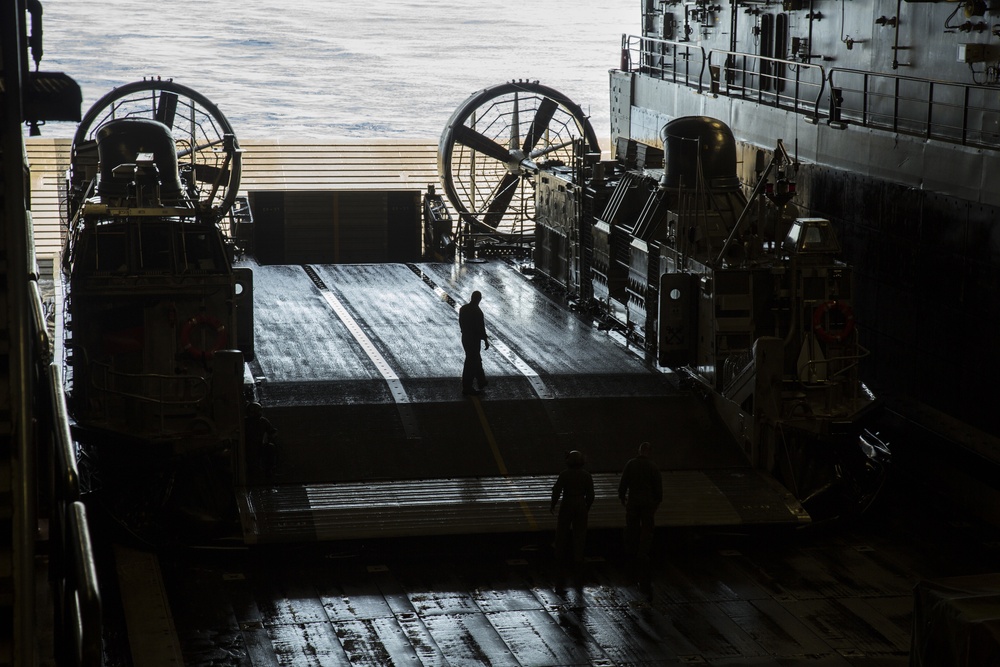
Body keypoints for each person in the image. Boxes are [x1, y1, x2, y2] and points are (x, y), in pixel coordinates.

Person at [618, 441, 662, 561]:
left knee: (632, 527)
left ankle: (630, 551)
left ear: (639, 451)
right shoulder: (653, 466)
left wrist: (622, 497)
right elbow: (658, 488)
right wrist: (657, 502)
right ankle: (642, 553)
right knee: (647, 529)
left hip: (633, 502)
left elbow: (623, 483)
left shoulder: (631, 464)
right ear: (650, 452)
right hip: (648, 503)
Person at [550, 450, 595, 564]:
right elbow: (591, 494)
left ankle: (559, 556)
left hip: (567, 502)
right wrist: (587, 506)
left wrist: (553, 504)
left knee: (562, 531)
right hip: (580, 504)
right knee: (580, 533)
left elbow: (557, 491)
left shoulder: (564, 474)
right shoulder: (586, 475)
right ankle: (578, 558)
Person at [458, 290, 489, 395]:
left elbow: (461, 324)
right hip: (474, 339)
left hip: (466, 338)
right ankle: (467, 386)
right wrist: (485, 340)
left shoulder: (463, 309)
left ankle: (481, 381)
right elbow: (481, 328)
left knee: (474, 359)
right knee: (472, 361)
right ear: (479, 299)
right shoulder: (478, 312)